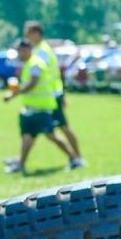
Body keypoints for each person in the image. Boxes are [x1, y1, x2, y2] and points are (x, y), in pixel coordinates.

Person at [2, 40, 73, 174]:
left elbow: (33, 84)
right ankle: (21, 164)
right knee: (27, 136)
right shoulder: (28, 64)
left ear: (27, 50)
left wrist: (14, 94)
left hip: (41, 108)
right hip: (30, 108)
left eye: (20, 51)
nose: (19, 54)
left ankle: (74, 158)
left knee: (51, 135)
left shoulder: (36, 63)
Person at [23, 21, 84, 169]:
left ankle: (77, 159)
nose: (26, 36)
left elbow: (42, 75)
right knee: (55, 128)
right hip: (51, 95)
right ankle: (76, 158)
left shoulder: (41, 51)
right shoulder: (41, 48)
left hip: (51, 96)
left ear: (36, 33)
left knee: (61, 128)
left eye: (28, 33)